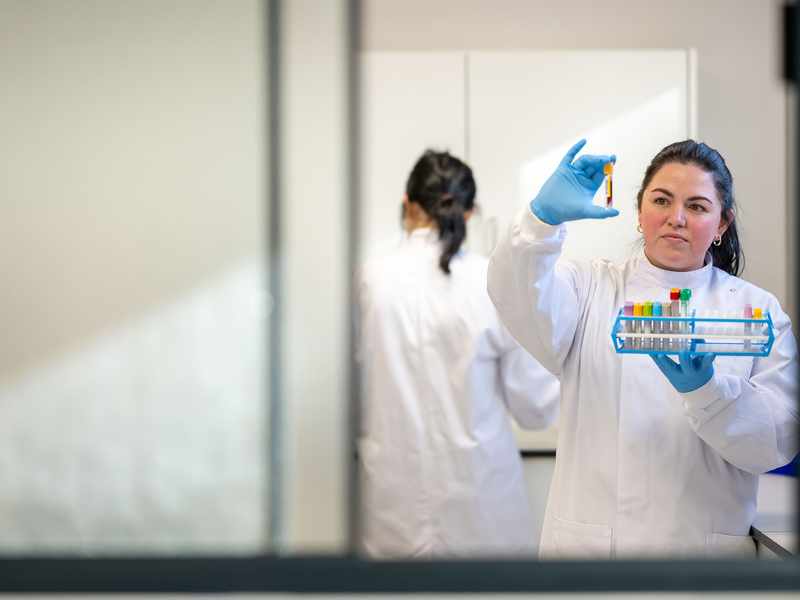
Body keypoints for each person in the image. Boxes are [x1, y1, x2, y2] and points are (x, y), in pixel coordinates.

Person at [487, 139, 798, 559]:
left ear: (722, 225)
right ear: (639, 212)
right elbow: (517, 294)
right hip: (593, 557)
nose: (677, 218)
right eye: (662, 200)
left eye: (698, 206)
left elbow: (774, 443)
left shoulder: (756, 311)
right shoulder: (588, 288)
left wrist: (709, 394)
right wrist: (540, 223)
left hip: (700, 558)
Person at [357, 149, 560, 558]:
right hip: (483, 510)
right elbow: (536, 407)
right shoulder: (492, 281)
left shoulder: (370, 280)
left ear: (408, 206)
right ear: (470, 214)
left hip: (394, 513)